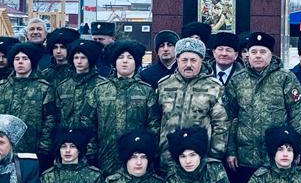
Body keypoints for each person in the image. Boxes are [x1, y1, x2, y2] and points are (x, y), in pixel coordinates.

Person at [222, 31, 301, 183]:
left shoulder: (285, 79)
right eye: (254, 52)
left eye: (263, 52)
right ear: (247, 55)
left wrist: (297, 148)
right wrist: (231, 150)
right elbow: (229, 118)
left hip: (276, 156)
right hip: (245, 155)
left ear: (271, 55)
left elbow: (298, 116)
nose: (258, 56)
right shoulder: (238, 80)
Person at [85, 39, 160, 174]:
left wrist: (148, 151)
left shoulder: (146, 91)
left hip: (137, 158)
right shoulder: (100, 90)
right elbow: (88, 122)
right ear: (114, 62)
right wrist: (91, 151)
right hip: (105, 156)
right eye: (120, 57)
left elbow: (153, 125)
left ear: (136, 62)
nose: (125, 61)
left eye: (129, 58)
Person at [155, 37, 229, 170]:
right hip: (167, 159)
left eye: (193, 60)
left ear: (201, 61)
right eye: (184, 60)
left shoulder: (214, 87)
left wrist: (214, 155)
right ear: (177, 60)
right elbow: (155, 121)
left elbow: (221, 125)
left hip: (200, 161)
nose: (188, 64)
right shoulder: (164, 85)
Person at [0, 42, 58, 170]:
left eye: (25, 59)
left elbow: (50, 120)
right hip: (1, 150)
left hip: (32, 151)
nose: (20, 62)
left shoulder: (43, 88)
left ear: (32, 62)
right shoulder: (0, 88)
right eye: (17, 59)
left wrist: (44, 150)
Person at [55, 38, 105, 130]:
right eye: (76, 58)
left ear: (90, 59)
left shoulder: (102, 85)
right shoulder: (63, 86)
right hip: (68, 136)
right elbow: (57, 115)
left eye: (83, 58)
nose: (79, 61)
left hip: (92, 135)